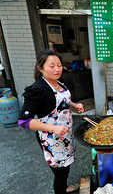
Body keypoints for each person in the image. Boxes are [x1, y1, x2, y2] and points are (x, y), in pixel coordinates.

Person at [18, 50, 84, 194]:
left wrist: (74, 105)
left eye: (59, 65)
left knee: (65, 166)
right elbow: (23, 121)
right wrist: (52, 128)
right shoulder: (37, 90)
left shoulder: (58, 82)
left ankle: (64, 187)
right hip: (52, 138)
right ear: (40, 68)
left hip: (65, 132)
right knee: (60, 173)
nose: (57, 69)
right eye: (51, 66)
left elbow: (62, 99)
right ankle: (61, 190)